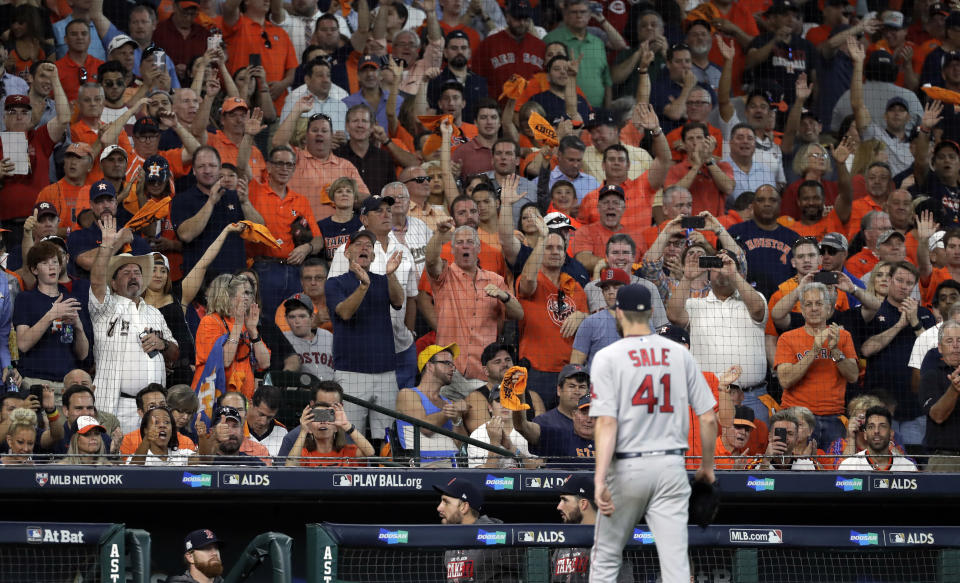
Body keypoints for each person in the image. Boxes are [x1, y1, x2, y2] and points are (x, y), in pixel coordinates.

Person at [589, 284, 717, 583]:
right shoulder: (679, 354)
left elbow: (606, 423)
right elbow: (709, 418)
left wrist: (599, 479)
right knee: (676, 564)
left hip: (626, 468)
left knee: (606, 557)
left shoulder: (608, 356)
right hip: (671, 467)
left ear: (618, 312)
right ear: (649, 312)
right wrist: (707, 468)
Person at [89, 216, 178, 433]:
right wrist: (108, 245)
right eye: (126, 273)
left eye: (137, 273)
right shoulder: (105, 307)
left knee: (153, 462)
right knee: (117, 463)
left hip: (155, 410)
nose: (133, 277)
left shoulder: (155, 313)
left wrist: (162, 344)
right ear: (113, 283)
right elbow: (96, 281)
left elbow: (175, 353)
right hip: (117, 406)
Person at [667, 249, 770, 425]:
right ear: (708, 273)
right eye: (716, 266)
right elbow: (674, 315)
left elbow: (758, 309)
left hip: (751, 397)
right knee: (709, 449)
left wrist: (734, 274)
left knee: (757, 451)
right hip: (708, 395)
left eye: (727, 264)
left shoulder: (754, 299)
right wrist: (687, 277)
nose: (722, 269)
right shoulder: (694, 304)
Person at [326, 230, 404, 440]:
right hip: (351, 373)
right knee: (350, 437)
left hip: (385, 373)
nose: (364, 247)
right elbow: (344, 312)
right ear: (347, 253)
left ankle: (385, 472)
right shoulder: (335, 283)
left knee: (388, 439)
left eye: (368, 246)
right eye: (358, 244)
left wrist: (390, 275)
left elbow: (398, 301)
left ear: (374, 256)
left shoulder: (382, 280)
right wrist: (363, 286)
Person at [774, 283, 860, 446]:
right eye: (808, 304)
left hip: (833, 418)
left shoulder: (843, 336)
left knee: (834, 469)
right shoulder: (787, 338)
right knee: (796, 468)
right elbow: (785, 380)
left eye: (819, 304)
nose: (814, 308)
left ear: (829, 308)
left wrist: (834, 350)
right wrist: (814, 350)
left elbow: (853, 376)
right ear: (801, 309)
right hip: (796, 418)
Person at [862, 261, 935, 445]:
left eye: (909, 283)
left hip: (916, 406)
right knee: (881, 458)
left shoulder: (925, 315)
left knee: (916, 460)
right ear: (889, 280)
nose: (903, 286)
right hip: (881, 406)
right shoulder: (873, 311)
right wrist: (899, 325)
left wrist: (915, 322)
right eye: (899, 280)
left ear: (914, 286)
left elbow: (935, 352)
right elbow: (866, 349)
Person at [171, 147, 264, 277]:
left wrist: (245, 203)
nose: (207, 170)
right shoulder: (182, 200)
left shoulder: (235, 196)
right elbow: (186, 235)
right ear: (193, 170)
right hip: (198, 282)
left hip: (234, 280)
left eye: (212, 165)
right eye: (201, 166)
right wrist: (210, 202)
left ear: (219, 168)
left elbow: (260, 232)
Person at [13, 242, 90, 391]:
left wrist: (79, 328)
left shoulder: (71, 300)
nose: (52, 266)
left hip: (67, 385)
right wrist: (51, 315)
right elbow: (23, 344)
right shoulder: (25, 299)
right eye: (45, 263)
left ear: (61, 266)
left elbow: (82, 355)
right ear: (34, 269)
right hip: (35, 382)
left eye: (55, 262)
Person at [192, 274, 271, 400]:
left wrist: (253, 331)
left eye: (249, 293)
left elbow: (265, 363)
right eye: (243, 293)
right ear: (227, 296)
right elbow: (224, 361)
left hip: (243, 398)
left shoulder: (247, 323)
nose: (248, 298)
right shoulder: (209, 321)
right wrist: (238, 324)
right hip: (213, 398)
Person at [395, 344, 469, 466]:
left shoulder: (448, 403)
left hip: (453, 466)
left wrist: (457, 421)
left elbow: (463, 446)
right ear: (429, 366)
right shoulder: (408, 394)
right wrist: (451, 410)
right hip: (423, 466)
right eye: (447, 363)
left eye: (452, 364)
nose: (452, 369)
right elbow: (425, 428)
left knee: (494, 480)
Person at [435, 478, 520, 583]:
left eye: (446, 502)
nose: (439, 508)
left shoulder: (491, 535)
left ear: (463, 507)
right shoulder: (452, 542)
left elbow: (525, 563)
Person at [512, 366, 596, 468]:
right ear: (559, 390)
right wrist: (519, 395)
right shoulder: (545, 423)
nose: (577, 391)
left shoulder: (599, 421)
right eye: (571, 386)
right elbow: (521, 426)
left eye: (582, 387)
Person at [285, 396, 374, 467]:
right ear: (310, 429)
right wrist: (303, 431)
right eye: (318, 417)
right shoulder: (305, 454)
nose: (323, 422)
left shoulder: (348, 452)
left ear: (336, 428)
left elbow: (370, 453)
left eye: (327, 417)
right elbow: (289, 467)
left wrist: (347, 426)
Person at [570, 268, 630, 370]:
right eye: (606, 289)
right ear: (602, 293)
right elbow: (575, 366)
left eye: (616, 287)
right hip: (598, 384)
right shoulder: (590, 323)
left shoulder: (642, 322)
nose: (611, 292)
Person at [921, 320, 960, 471]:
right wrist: (954, 389)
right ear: (940, 348)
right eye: (949, 341)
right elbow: (937, 416)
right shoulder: (931, 376)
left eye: (959, 340)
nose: (956, 345)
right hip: (945, 461)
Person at [467, 388, 539, 469]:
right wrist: (494, 443)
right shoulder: (478, 435)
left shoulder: (529, 431)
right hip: (495, 481)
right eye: (499, 400)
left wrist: (512, 449)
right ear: (490, 407)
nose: (505, 405)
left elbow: (537, 469)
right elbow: (483, 478)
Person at [836, 406, 918, 471]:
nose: (876, 431)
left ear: (891, 433)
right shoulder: (849, 466)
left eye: (882, 426)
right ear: (865, 434)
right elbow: (843, 490)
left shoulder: (908, 468)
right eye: (871, 427)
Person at [282, 292, 334, 380]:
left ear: (312, 317)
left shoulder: (328, 336)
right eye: (292, 317)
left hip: (331, 390)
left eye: (302, 316)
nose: (297, 321)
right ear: (286, 319)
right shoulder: (283, 339)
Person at [126, 406, 194, 466]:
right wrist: (146, 439)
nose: (162, 425)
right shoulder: (133, 458)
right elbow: (132, 474)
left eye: (166, 422)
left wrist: (202, 437)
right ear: (146, 430)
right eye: (156, 422)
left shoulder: (182, 455)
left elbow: (203, 460)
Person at [246, 385, 288, 457]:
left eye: (269, 417)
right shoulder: (236, 427)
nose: (263, 422)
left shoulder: (282, 432)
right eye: (261, 414)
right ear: (250, 403)